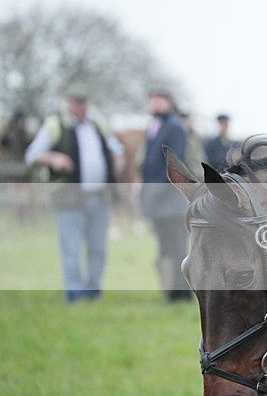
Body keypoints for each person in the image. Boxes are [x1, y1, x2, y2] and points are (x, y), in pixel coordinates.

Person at [25, 84, 124, 303]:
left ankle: (93, 290)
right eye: (75, 102)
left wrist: (115, 165)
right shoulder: (55, 124)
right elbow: (32, 154)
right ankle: (75, 293)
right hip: (69, 198)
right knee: (71, 247)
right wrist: (54, 158)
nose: (80, 106)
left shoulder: (97, 123)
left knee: (98, 247)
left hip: (99, 196)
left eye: (83, 102)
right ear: (68, 103)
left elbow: (117, 149)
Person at [139, 87, 192, 301]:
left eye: (160, 99)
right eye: (152, 99)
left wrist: (154, 191)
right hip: (158, 201)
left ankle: (182, 293)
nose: (155, 103)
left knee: (177, 248)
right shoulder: (154, 127)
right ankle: (170, 291)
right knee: (165, 249)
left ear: (170, 103)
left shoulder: (175, 127)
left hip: (171, 200)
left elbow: (174, 163)